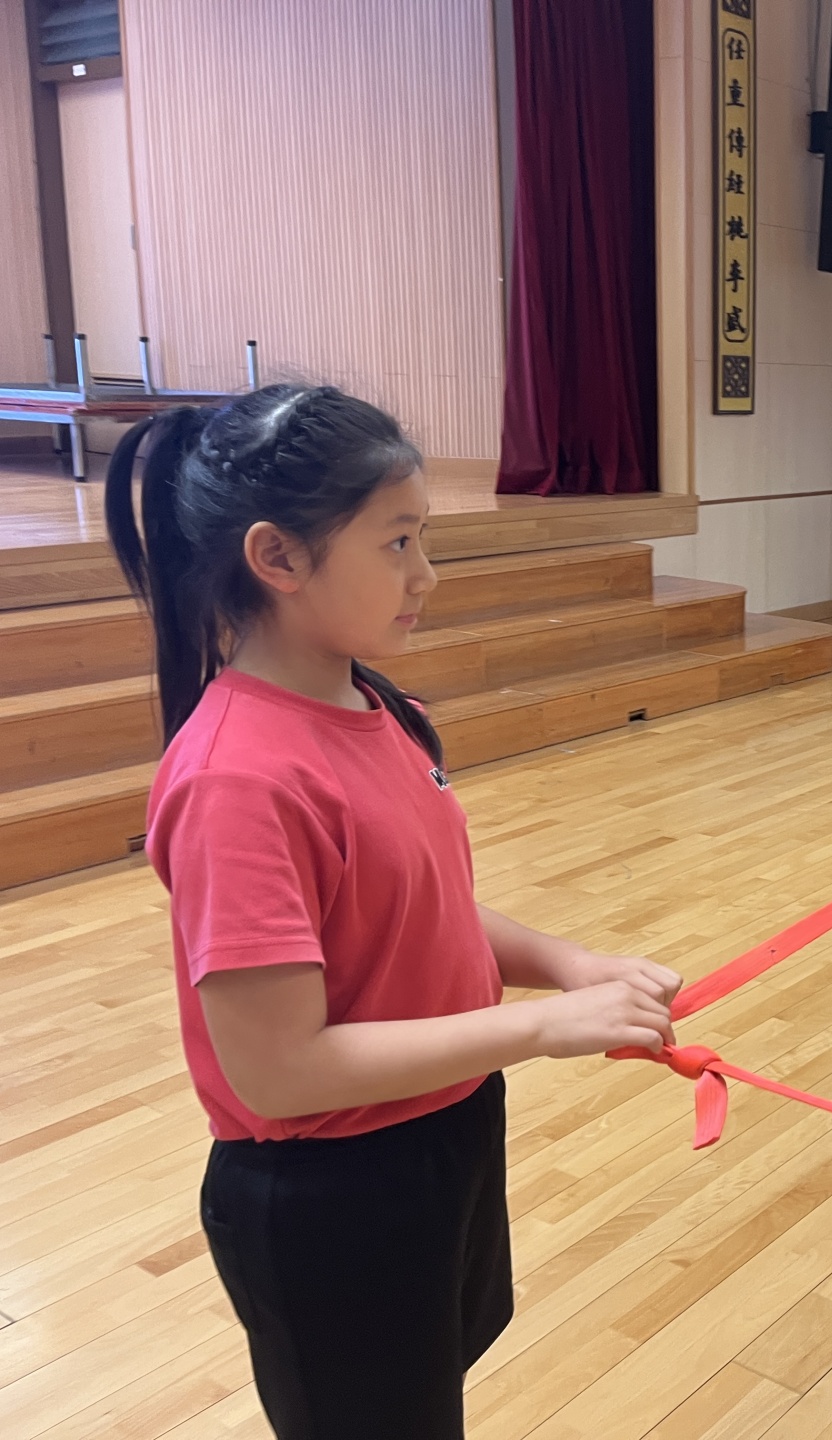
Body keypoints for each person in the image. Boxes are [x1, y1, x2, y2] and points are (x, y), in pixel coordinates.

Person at [104, 387, 682, 1439]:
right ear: (277, 558)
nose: (426, 576)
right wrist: (539, 1028)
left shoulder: (378, 705)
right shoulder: (238, 778)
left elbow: (422, 905)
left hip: (438, 1133)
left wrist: (568, 964)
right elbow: (279, 1069)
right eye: (398, 542)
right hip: (332, 1194)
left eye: (425, 540)